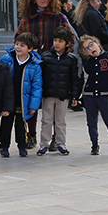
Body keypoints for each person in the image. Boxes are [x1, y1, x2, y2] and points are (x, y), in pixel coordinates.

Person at [15, 0, 73, 145]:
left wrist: (60, 53)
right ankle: (31, 135)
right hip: (33, 66)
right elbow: (18, 40)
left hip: (54, 67)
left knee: (53, 104)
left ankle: (55, 138)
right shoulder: (27, 19)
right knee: (31, 101)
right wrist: (28, 49)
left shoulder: (59, 17)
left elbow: (70, 38)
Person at [38, 26, 82, 156]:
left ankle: (60, 143)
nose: (56, 43)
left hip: (63, 95)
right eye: (55, 40)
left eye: (60, 41)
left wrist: (75, 96)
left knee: (60, 121)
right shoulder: (45, 57)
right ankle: (43, 144)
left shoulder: (71, 59)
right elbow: (41, 77)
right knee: (46, 120)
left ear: (67, 44)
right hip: (48, 95)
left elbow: (75, 79)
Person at [0, 32, 42, 158]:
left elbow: (37, 87)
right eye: (17, 44)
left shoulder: (35, 65)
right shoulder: (7, 60)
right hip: (8, 99)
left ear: (30, 49)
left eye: (22, 45)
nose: (18, 47)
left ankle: (22, 146)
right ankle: (4, 146)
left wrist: (34, 105)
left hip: (23, 100)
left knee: (21, 124)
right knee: (6, 123)